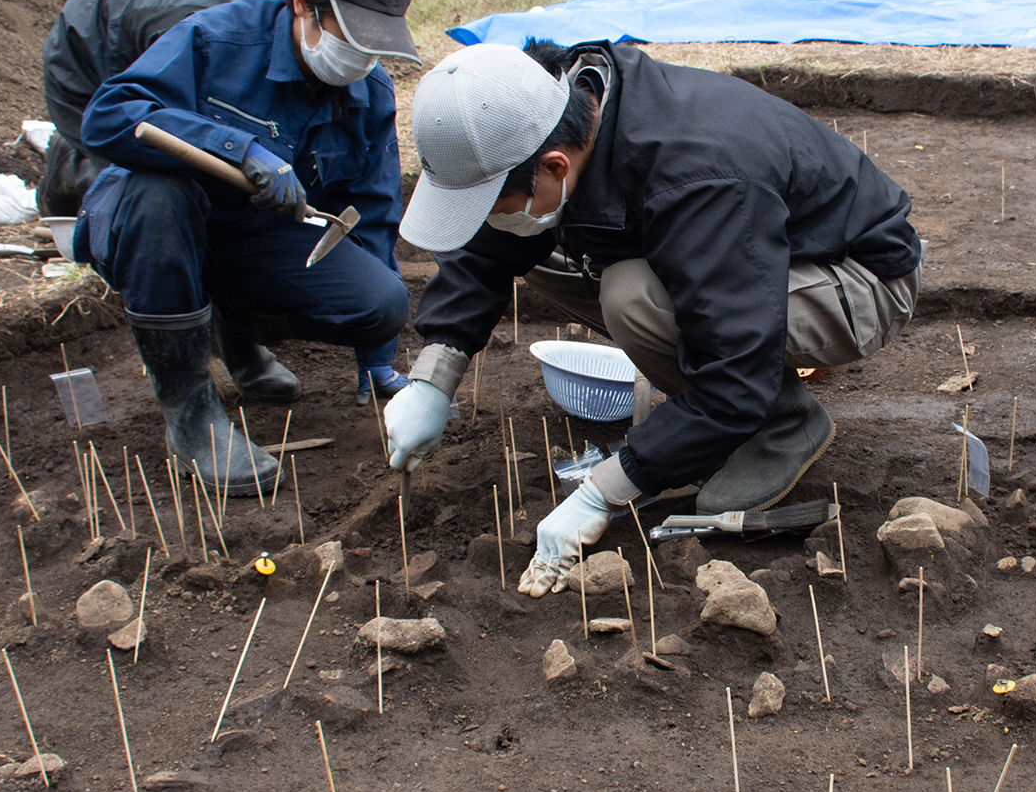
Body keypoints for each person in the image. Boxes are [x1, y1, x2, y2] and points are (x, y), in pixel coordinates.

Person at [380, 40, 923, 594]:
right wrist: (435, 375)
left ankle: (781, 424)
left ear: (555, 165)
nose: (493, 218)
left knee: (633, 296)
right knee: (535, 247)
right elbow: (486, 248)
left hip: (855, 279)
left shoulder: (696, 176)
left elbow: (733, 375)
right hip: (743, 251)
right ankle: (734, 416)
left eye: (493, 201)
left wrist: (605, 489)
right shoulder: (558, 101)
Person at [75, 0, 423, 496]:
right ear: (303, 6)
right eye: (353, 39)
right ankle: (192, 415)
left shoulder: (369, 91)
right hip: (153, 230)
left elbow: (375, 212)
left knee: (381, 303)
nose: (364, 59)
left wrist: (378, 353)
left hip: (248, 242)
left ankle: (229, 327)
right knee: (159, 195)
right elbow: (109, 115)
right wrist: (237, 147)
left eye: (377, 45)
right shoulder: (216, 42)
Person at [37, 0, 285, 220]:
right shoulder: (205, 42)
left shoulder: (298, 25)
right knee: (146, 184)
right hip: (88, 53)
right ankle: (71, 169)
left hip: (153, 6)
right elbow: (171, 127)